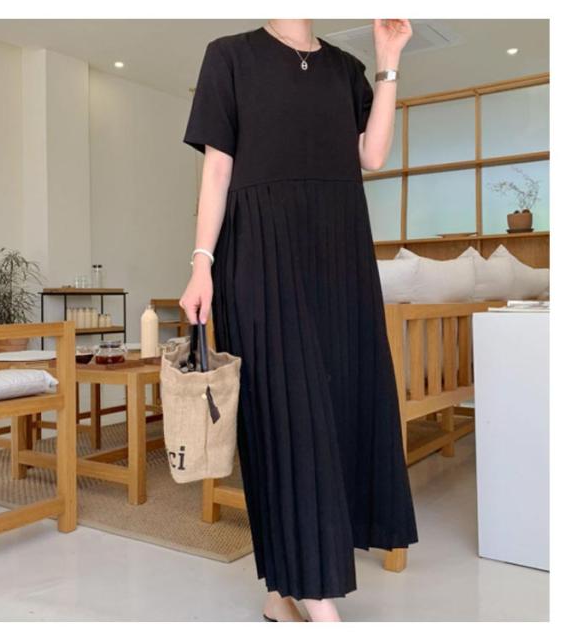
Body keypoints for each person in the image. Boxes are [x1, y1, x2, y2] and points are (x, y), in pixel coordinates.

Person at [180, 18, 417, 623]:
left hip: (338, 254)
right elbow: (217, 169)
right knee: (287, 415)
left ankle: (280, 593)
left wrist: (388, 58)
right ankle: (316, 597)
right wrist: (202, 263)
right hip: (260, 253)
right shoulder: (229, 56)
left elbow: (372, 154)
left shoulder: (345, 69)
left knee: (337, 411)